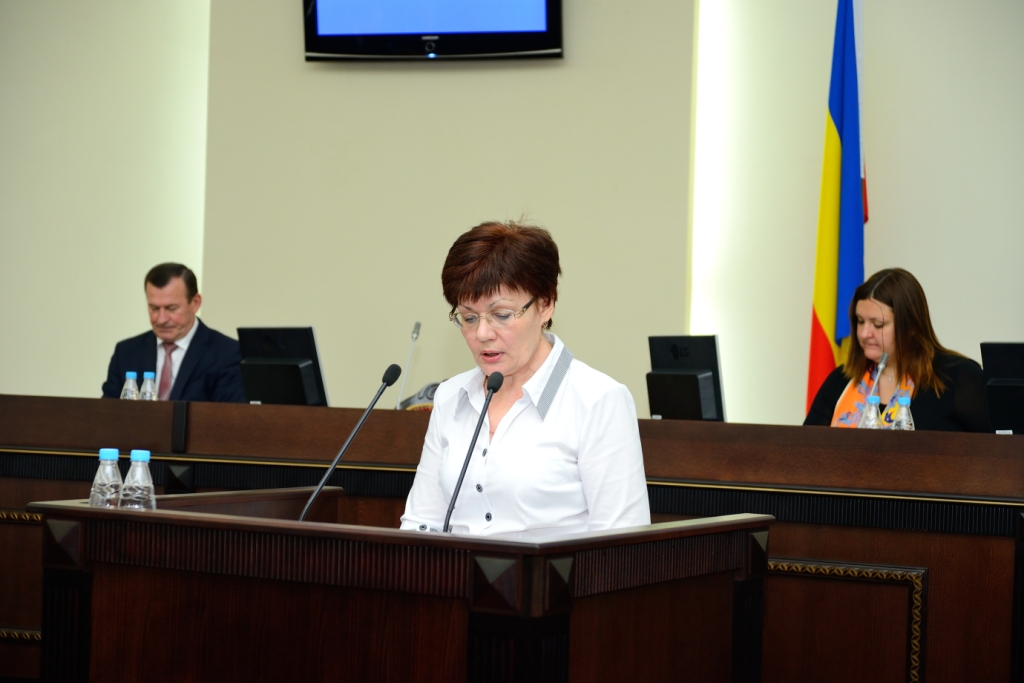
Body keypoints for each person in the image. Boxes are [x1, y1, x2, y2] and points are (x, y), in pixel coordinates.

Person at [400, 221, 651, 538]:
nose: (482, 333)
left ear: (545, 304)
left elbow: (621, 542)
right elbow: (421, 522)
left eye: (501, 315)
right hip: (455, 570)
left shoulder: (597, 400)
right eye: (469, 317)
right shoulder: (451, 396)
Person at [805, 268, 989, 431]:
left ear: (911, 327)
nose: (864, 333)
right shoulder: (842, 380)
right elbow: (806, 448)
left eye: (878, 324)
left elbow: (997, 447)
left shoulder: (957, 377)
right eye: (860, 321)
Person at [102, 263, 247, 403]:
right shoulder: (126, 352)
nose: (161, 319)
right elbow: (106, 412)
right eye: (154, 308)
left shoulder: (227, 353)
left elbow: (230, 415)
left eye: (171, 308)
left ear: (195, 303)